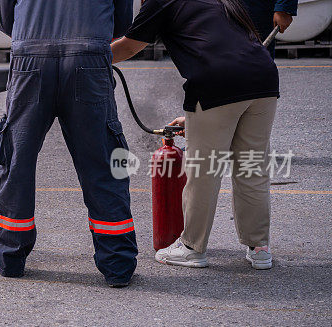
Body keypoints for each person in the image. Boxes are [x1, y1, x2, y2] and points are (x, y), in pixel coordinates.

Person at [111, 0, 280, 269]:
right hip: (263, 77)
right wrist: (195, 117)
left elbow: (130, 45)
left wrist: (89, 57)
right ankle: (259, 248)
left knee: (203, 170)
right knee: (253, 166)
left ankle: (192, 246)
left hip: (216, 83)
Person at [0, 0, 138, 287]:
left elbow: (6, 21)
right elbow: (121, 24)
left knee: (17, 162)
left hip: (30, 59)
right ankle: (117, 264)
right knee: (103, 164)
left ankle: (9, 258)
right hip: (89, 59)